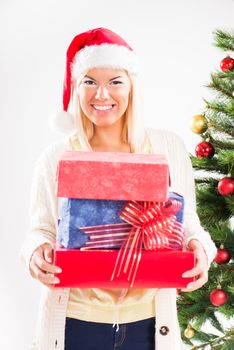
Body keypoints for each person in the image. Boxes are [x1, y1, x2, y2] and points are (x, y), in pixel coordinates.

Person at [20, 27, 217, 350]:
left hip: (149, 324)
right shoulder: (54, 157)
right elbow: (40, 230)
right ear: (75, 87)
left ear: (131, 86)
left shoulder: (167, 147)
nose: (102, 95)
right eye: (89, 82)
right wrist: (35, 253)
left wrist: (199, 246)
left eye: (115, 82)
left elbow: (188, 223)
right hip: (75, 322)